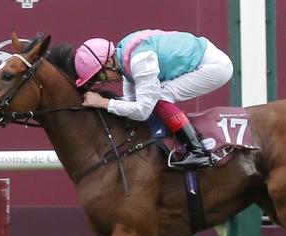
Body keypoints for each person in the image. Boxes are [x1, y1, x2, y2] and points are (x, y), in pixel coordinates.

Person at [74, 29, 234, 168]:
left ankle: (198, 151)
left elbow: (143, 110)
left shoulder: (140, 60)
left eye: (101, 75)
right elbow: (131, 103)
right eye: (98, 79)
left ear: (109, 61)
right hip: (206, 56)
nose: (104, 81)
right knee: (154, 96)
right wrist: (105, 104)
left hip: (213, 66)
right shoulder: (124, 57)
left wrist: (103, 102)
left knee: (159, 96)